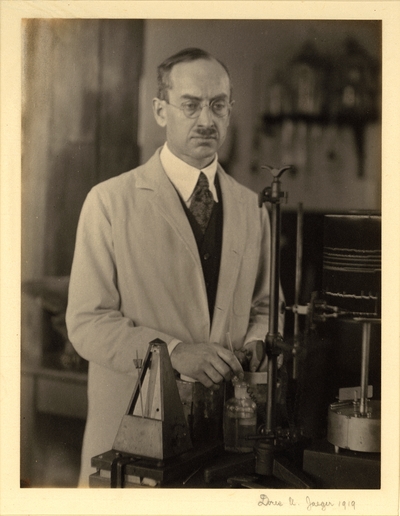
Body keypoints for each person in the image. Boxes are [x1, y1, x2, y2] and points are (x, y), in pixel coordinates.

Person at [66, 47, 283, 486]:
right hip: (134, 441)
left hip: (222, 440)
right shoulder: (109, 202)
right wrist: (176, 352)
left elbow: (267, 307)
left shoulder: (249, 208)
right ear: (160, 110)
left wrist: (258, 341)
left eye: (218, 105)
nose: (207, 120)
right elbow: (87, 322)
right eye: (191, 104)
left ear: (229, 110)